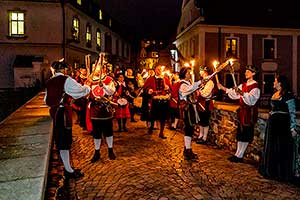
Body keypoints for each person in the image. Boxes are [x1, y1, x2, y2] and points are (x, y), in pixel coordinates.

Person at [45, 60, 90, 179]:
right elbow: (79, 92)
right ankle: (68, 170)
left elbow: (46, 100)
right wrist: (87, 87)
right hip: (62, 113)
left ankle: (68, 167)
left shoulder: (50, 81)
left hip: (54, 113)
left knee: (61, 141)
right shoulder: (66, 80)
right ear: (64, 70)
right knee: (64, 142)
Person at [259, 75, 299, 182]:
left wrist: (293, 128)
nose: (273, 83)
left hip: (282, 126)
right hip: (272, 125)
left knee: (281, 147)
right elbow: (272, 109)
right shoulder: (274, 94)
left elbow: (292, 112)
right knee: (272, 147)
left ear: (280, 83)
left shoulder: (288, 96)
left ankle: (281, 172)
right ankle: (271, 170)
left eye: (275, 81)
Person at [218, 65, 261, 163]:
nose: (246, 73)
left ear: (253, 74)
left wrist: (241, 93)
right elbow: (234, 94)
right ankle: (237, 154)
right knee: (240, 133)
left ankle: (240, 155)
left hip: (249, 113)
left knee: (245, 133)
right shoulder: (243, 85)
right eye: (246, 71)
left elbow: (251, 101)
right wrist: (223, 88)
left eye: (248, 72)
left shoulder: (255, 87)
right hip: (242, 112)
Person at [86, 62, 117, 163]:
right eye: (95, 67)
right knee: (96, 132)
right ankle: (97, 152)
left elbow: (111, 91)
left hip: (105, 108)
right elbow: (85, 92)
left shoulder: (108, 80)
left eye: (98, 67)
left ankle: (110, 150)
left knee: (108, 131)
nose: (96, 69)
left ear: (103, 69)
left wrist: (103, 86)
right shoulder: (89, 80)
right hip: (95, 109)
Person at [178, 67, 202, 160]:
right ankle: (187, 150)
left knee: (190, 129)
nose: (189, 74)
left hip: (191, 108)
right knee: (188, 129)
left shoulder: (188, 84)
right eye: (188, 73)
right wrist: (200, 82)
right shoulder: (183, 85)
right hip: (187, 109)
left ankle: (188, 149)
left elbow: (193, 90)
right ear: (184, 74)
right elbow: (191, 89)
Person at [143, 65, 171, 139]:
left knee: (163, 117)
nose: (159, 70)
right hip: (154, 100)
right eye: (158, 69)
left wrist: (167, 88)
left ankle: (161, 132)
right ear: (155, 70)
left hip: (163, 100)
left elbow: (169, 89)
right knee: (153, 116)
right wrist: (149, 90)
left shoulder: (165, 79)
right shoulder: (150, 79)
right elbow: (145, 88)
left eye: (160, 69)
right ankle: (151, 127)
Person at [196, 66, 215, 145]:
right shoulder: (202, 81)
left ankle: (204, 137)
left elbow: (206, 94)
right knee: (200, 121)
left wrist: (199, 92)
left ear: (205, 72)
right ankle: (200, 135)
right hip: (200, 103)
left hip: (206, 103)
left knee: (205, 121)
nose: (200, 72)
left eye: (201, 71)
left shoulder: (210, 82)